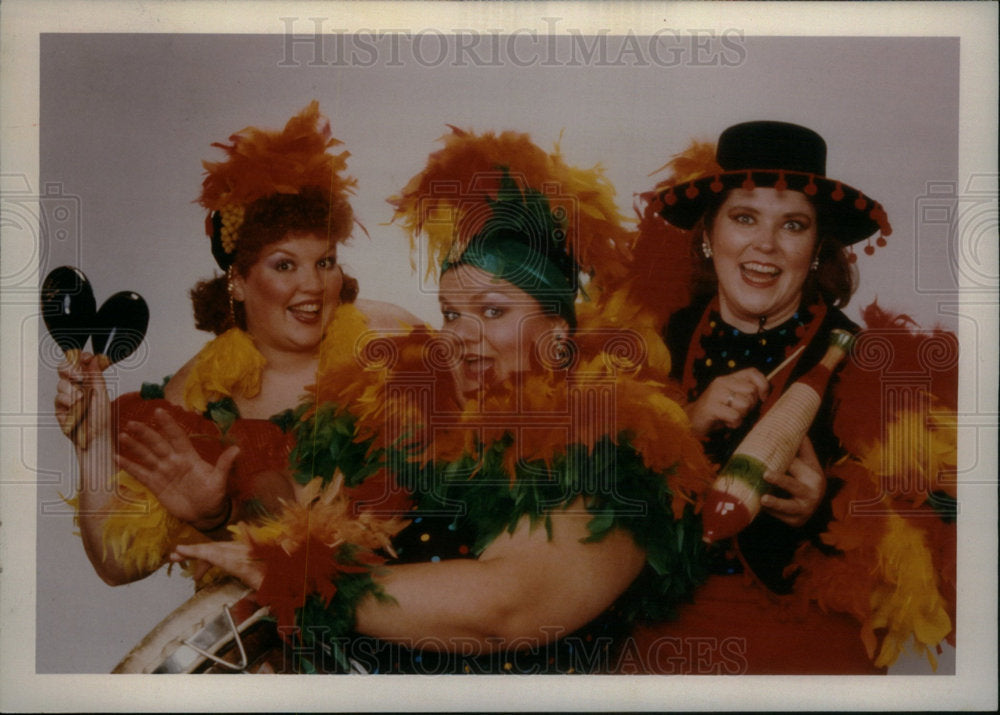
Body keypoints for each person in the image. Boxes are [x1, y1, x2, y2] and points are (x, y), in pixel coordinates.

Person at [173, 128, 715, 674]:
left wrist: (295, 585)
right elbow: (304, 514)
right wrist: (219, 510)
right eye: (453, 314)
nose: (462, 334)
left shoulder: (621, 448)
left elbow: (506, 607)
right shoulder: (408, 420)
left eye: (494, 311)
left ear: (557, 331)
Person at [620, 120, 957, 673]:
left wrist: (824, 511)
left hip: (806, 641)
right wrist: (686, 424)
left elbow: (929, 545)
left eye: (793, 225)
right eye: (744, 217)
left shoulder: (876, 364)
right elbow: (595, 501)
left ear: (817, 245)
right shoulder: (652, 338)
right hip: (661, 632)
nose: (765, 246)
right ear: (708, 233)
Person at [55, 102, 417, 586]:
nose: (313, 285)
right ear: (239, 281)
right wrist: (95, 446)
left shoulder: (388, 336)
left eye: (325, 261)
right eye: (284, 265)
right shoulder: (198, 397)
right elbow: (118, 566)